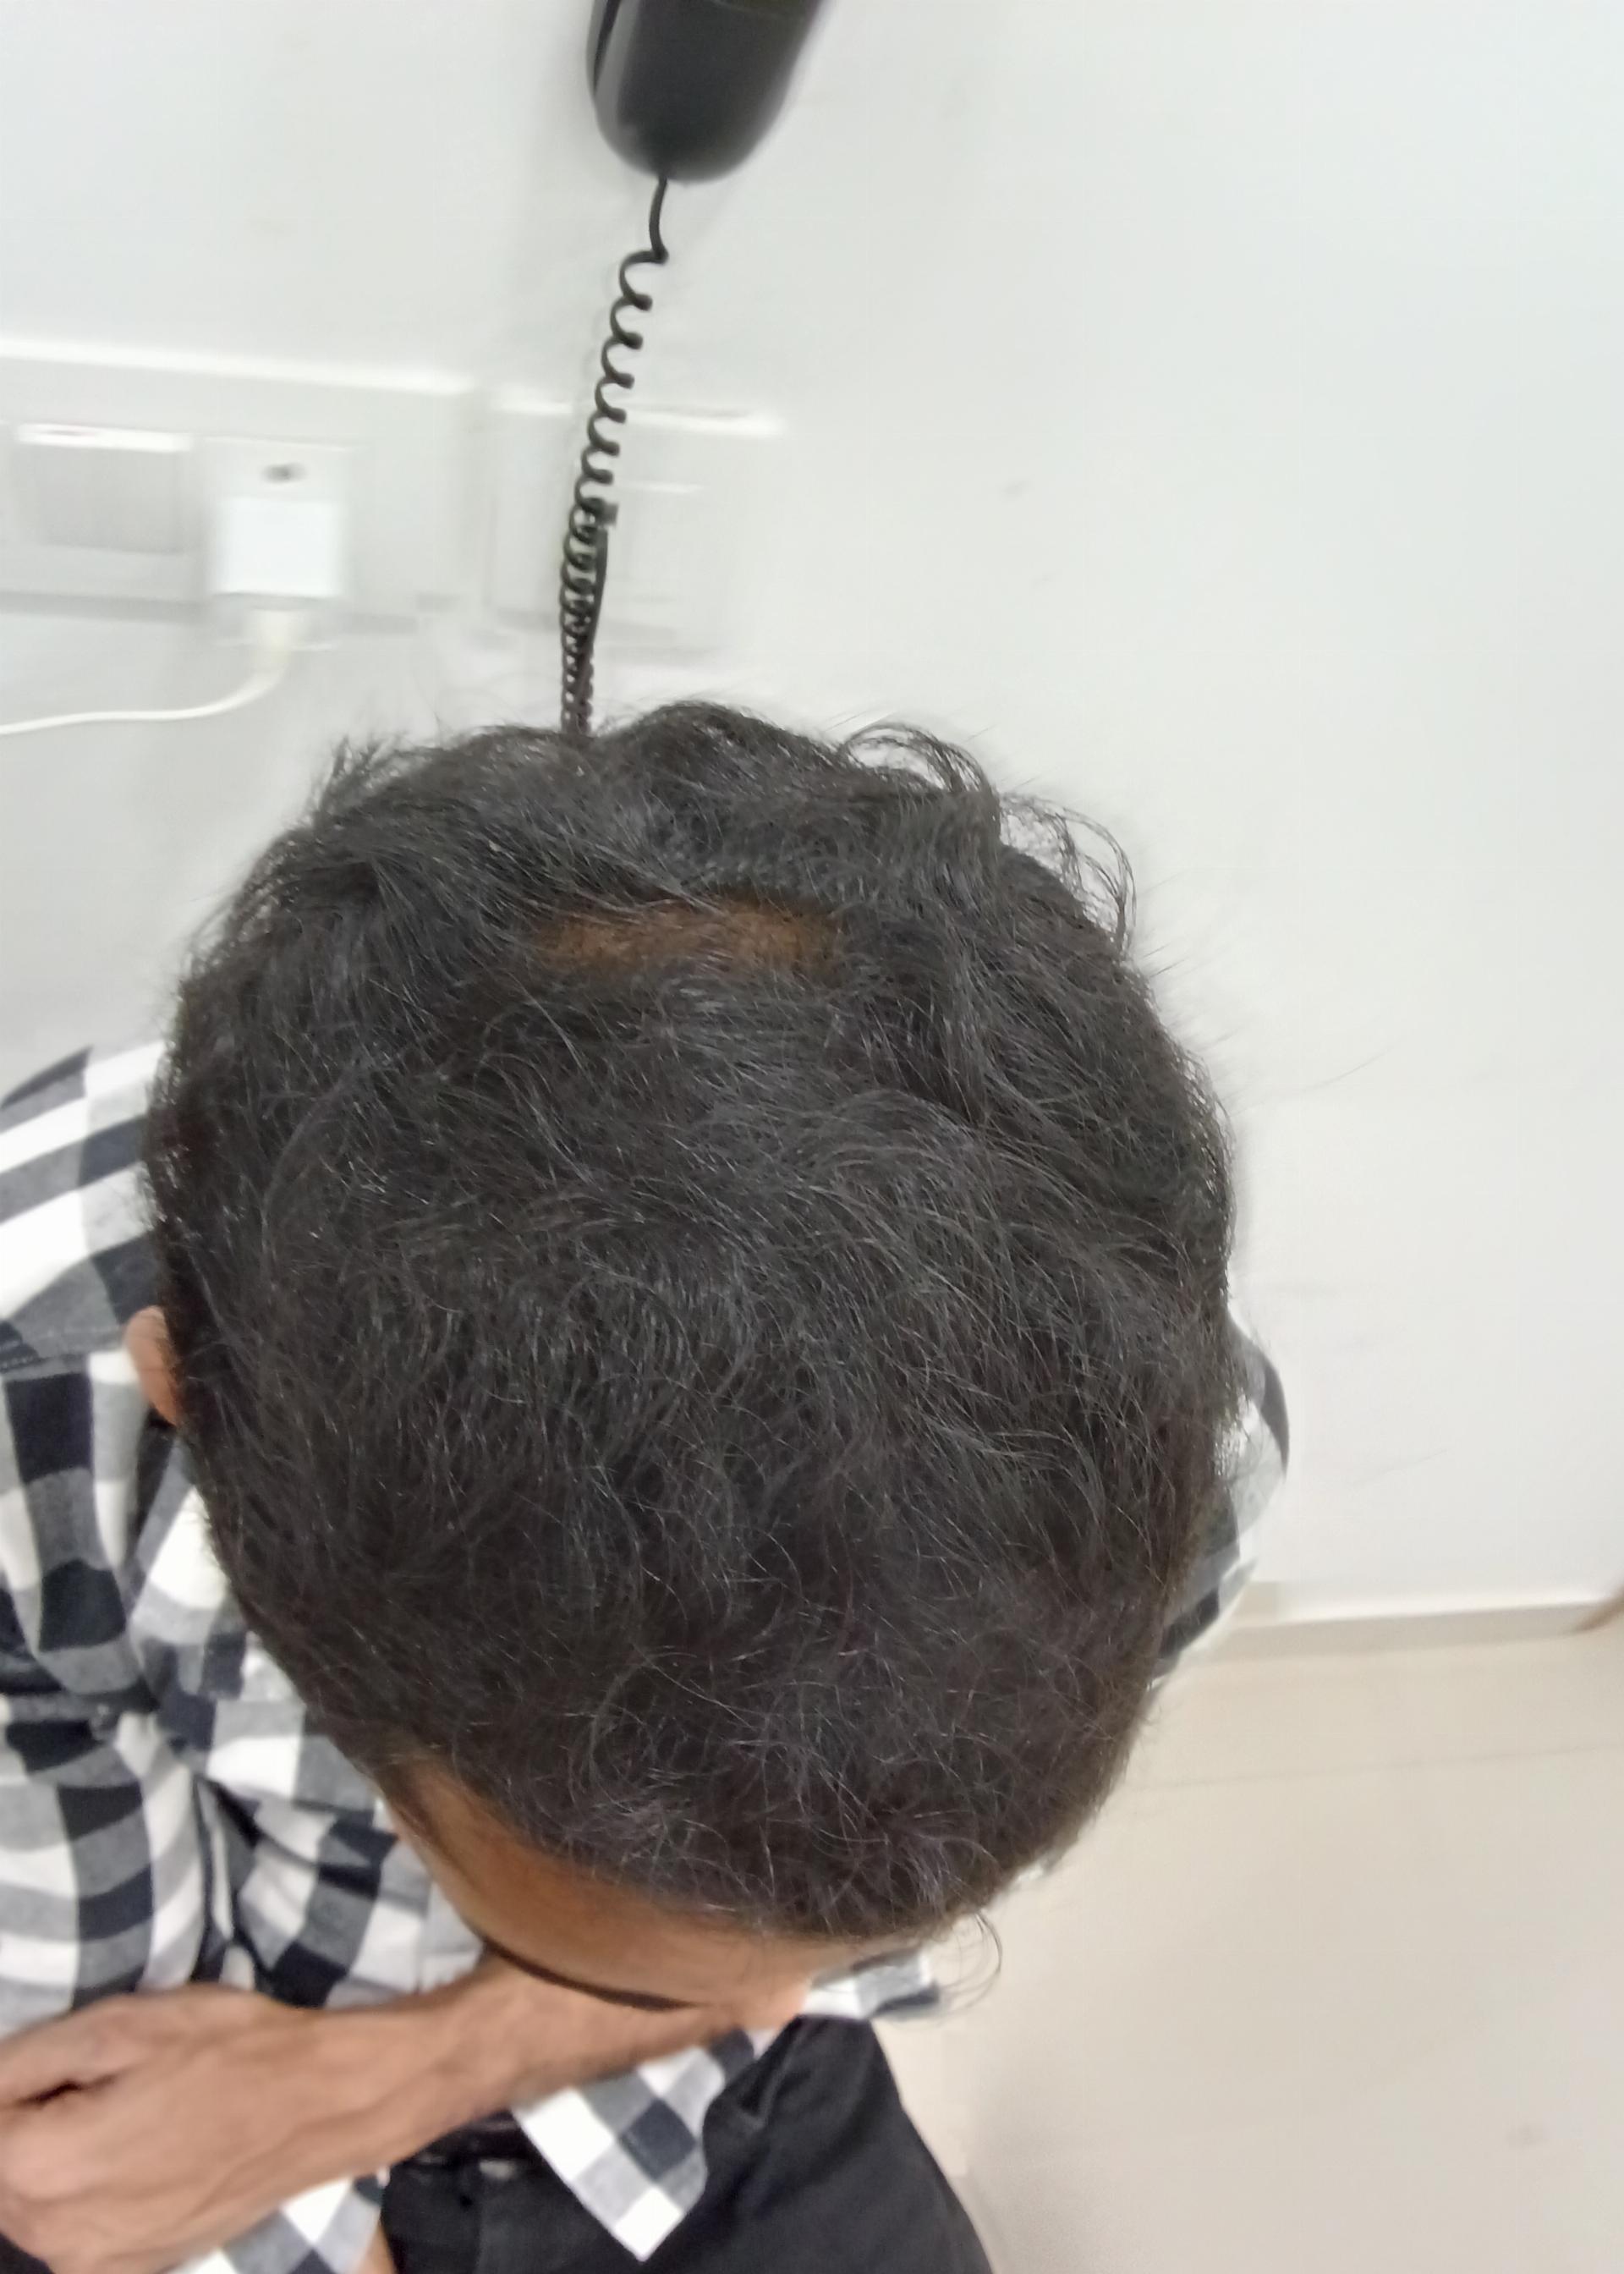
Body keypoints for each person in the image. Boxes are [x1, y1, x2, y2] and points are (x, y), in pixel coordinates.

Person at [0, 705, 1283, 2274]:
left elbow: (801, 1982)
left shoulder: (1173, 1446)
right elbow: (85, 2153)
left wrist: (402, 2078)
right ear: (191, 1406)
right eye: (627, 1943)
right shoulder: (31, 1396)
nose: (756, 1961)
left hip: (699, 2090)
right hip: (224, 2031)